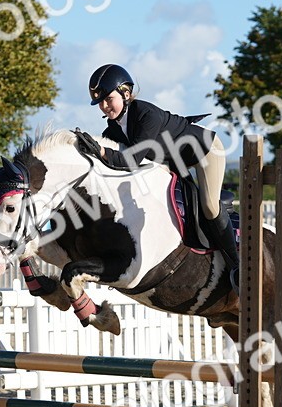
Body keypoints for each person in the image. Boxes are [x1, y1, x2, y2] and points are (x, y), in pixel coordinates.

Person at [86, 63, 239, 284]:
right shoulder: (112, 130)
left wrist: (101, 150)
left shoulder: (145, 114)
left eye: (108, 99)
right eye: (99, 102)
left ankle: (237, 266)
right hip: (173, 161)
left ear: (126, 93)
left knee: (209, 206)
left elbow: (131, 159)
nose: (104, 106)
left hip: (204, 151)